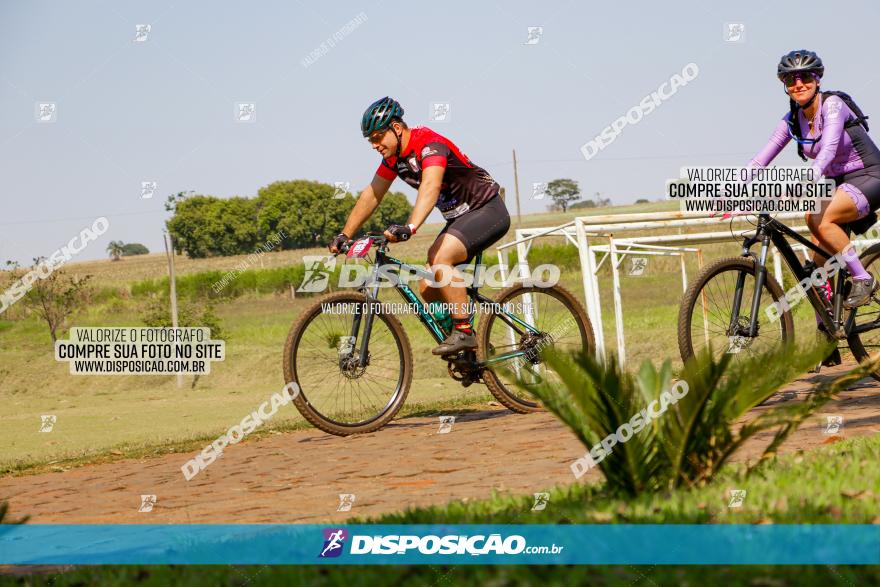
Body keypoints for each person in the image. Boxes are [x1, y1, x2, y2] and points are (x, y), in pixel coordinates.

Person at [328, 97, 511, 356]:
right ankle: (471, 351)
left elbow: (431, 186)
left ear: (397, 128)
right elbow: (372, 194)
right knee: (428, 286)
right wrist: (345, 234)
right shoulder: (394, 159)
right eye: (370, 140)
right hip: (460, 219)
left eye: (378, 137)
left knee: (440, 259)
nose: (375, 145)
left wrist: (411, 227)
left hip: (487, 210)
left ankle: (465, 334)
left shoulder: (429, 145)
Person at [749, 50, 880, 312]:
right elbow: (759, 160)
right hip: (836, 185)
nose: (798, 84)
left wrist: (803, 185)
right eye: (790, 80)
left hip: (869, 175)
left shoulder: (832, 105)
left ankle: (863, 278)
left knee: (816, 216)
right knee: (816, 271)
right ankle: (830, 336)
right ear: (784, 86)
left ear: (817, 79)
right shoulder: (792, 121)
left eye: (805, 77)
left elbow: (828, 150)